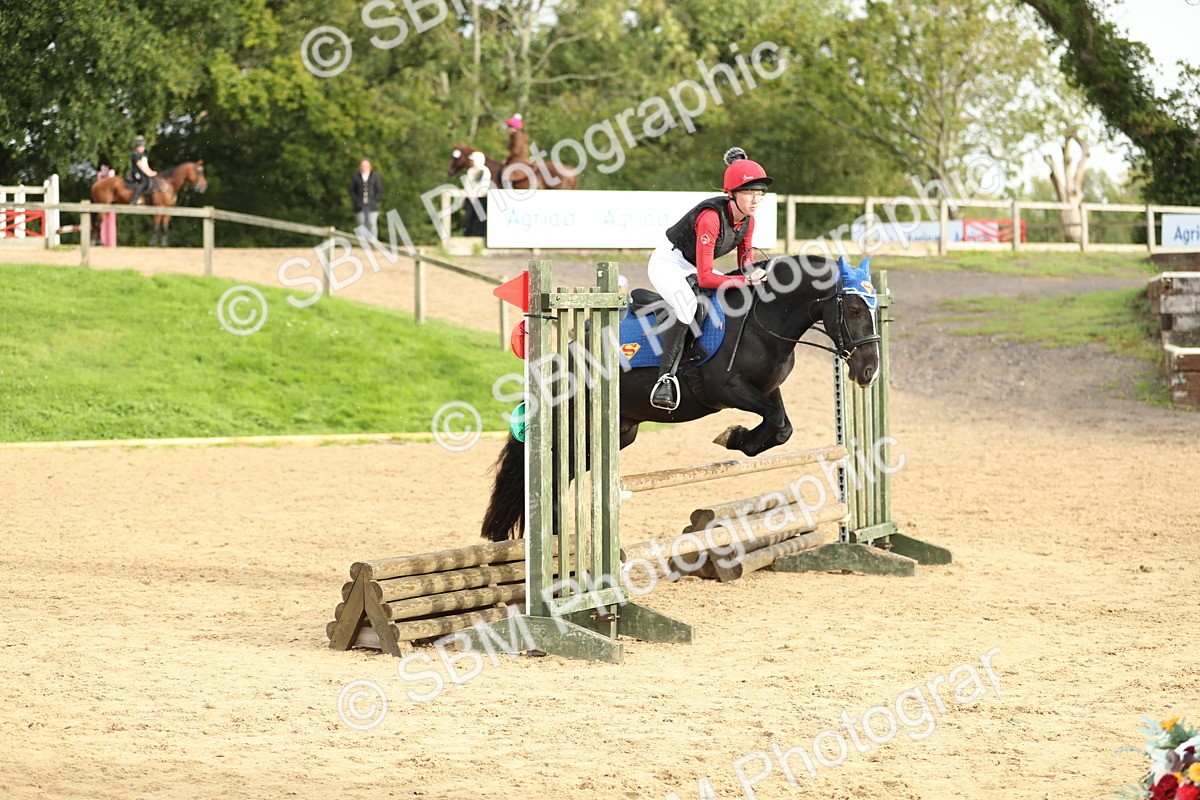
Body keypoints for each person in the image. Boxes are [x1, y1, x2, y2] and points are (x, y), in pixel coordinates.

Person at [646, 147, 772, 411]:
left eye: (759, 193)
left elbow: (744, 262)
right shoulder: (711, 218)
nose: (755, 199)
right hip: (667, 265)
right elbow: (705, 278)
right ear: (732, 193)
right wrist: (745, 281)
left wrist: (757, 274)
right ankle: (665, 379)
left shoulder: (748, 221)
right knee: (689, 306)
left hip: (691, 268)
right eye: (749, 192)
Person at [349, 158, 383, 239]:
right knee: (361, 224)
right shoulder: (356, 177)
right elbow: (351, 190)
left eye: (366, 165)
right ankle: (363, 243)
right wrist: (356, 201)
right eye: (363, 165)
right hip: (359, 205)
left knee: (372, 223)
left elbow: (378, 189)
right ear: (360, 167)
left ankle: (373, 242)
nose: (364, 167)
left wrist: (375, 200)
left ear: (370, 166)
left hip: (372, 205)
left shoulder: (375, 176)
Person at [462, 150, 492, 237]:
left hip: (480, 198)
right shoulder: (470, 171)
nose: (471, 162)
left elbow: (484, 186)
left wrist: (476, 193)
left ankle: (479, 237)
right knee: (468, 218)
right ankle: (467, 236)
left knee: (480, 219)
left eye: (473, 160)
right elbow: (467, 185)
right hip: (470, 198)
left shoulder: (485, 171)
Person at [128, 136, 156, 206]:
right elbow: (140, 166)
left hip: (143, 172)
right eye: (139, 146)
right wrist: (148, 173)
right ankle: (134, 198)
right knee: (143, 182)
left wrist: (151, 172)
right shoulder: (135, 155)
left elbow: (146, 165)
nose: (141, 148)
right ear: (136, 147)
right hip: (136, 172)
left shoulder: (144, 155)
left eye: (142, 146)